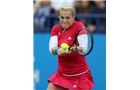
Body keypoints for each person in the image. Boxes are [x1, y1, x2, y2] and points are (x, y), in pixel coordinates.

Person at [47, 5, 94, 90]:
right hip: (62, 74)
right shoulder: (56, 28)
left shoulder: (79, 26)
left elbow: (84, 49)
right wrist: (58, 50)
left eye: (68, 18)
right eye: (62, 17)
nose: (64, 21)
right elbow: (51, 47)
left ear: (73, 18)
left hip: (80, 76)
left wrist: (73, 49)